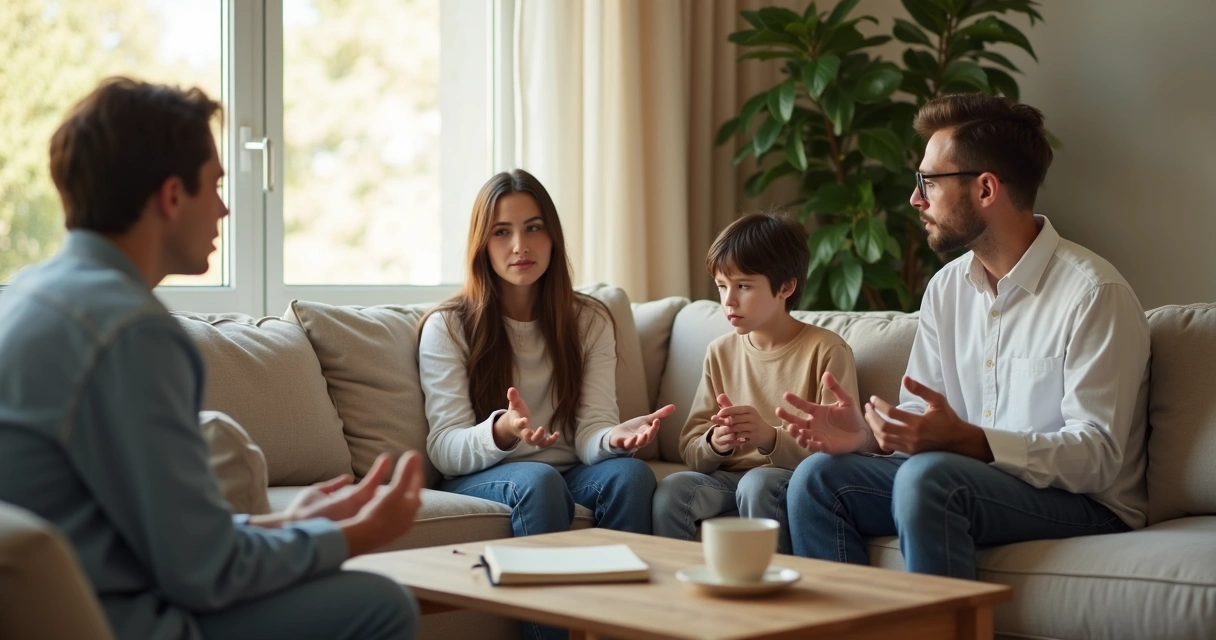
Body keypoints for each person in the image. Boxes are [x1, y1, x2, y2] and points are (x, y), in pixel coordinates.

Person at [0, 77, 425, 640]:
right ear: (172, 196)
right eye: (216, 185)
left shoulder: (31, 295)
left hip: (76, 595)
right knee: (378, 603)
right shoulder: (132, 332)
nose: (224, 208)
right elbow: (204, 573)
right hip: (121, 620)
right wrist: (357, 535)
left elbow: (157, 533)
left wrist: (288, 524)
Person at [779, 93, 1150, 579]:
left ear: (986, 189)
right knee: (815, 479)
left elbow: (1097, 458)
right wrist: (869, 436)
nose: (915, 199)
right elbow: (920, 419)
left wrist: (975, 442)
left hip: (1084, 504)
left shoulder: (1094, 293)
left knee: (930, 478)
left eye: (928, 182)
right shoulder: (947, 288)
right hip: (962, 482)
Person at [418, 169, 673, 539]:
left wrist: (612, 439)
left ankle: (618, 594)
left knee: (631, 475)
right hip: (484, 477)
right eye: (501, 232)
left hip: (570, 472)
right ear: (482, 244)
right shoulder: (448, 326)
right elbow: (444, 448)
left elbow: (591, 431)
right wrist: (502, 431)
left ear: (553, 237)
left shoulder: (589, 319)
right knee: (540, 480)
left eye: (534, 228)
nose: (520, 245)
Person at [652, 213, 859, 554]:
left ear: (786, 287)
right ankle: (678, 599)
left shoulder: (826, 350)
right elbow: (691, 448)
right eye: (722, 286)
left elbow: (837, 445)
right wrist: (715, 443)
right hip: (728, 477)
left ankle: (765, 597)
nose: (728, 300)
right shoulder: (719, 352)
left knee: (758, 482)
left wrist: (771, 437)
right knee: (674, 490)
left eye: (743, 286)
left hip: (786, 478)